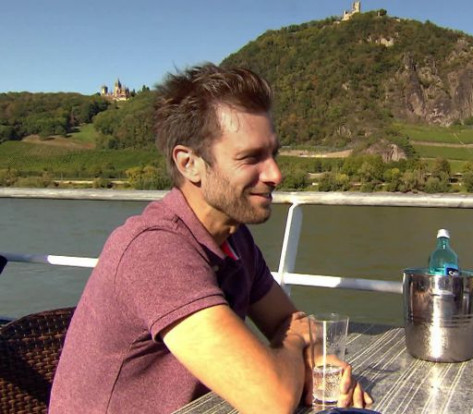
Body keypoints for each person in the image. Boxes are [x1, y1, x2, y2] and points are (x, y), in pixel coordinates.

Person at [49, 63, 372, 413]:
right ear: (189, 164)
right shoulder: (155, 250)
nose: (276, 174)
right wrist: (295, 344)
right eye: (251, 157)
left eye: (273, 154)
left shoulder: (234, 239)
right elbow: (272, 399)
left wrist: (316, 364)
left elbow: (289, 320)